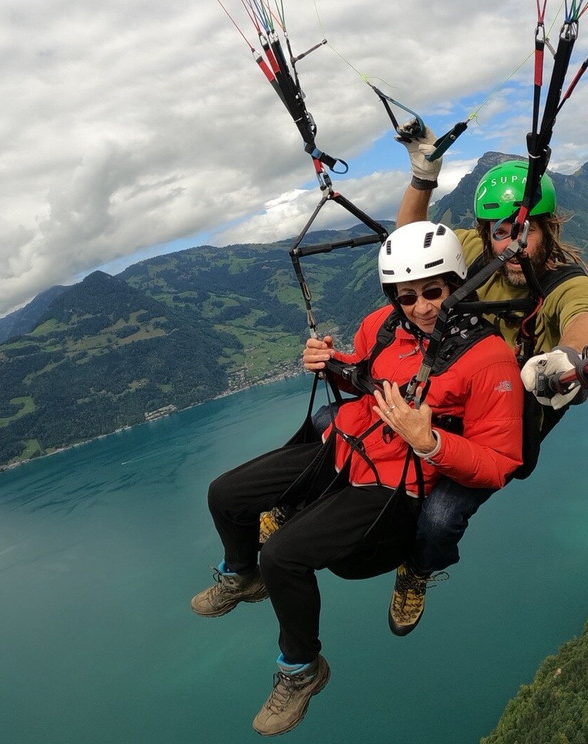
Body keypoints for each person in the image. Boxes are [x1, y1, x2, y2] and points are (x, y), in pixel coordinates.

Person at [190, 221, 524, 736]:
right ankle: (241, 572)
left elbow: (500, 460)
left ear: (457, 283)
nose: (420, 307)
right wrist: (328, 364)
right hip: (345, 448)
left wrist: (430, 442)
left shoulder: (488, 359)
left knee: (283, 555)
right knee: (225, 494)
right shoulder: (383, 326)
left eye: (433, 291)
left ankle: (301, 669)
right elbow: (364, 377)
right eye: (406, 296)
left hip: (394, 486)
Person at [384, 127, 588, 636]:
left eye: (523, 231)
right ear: (486, 234)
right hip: (449, 401)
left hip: (501, 428)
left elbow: (585, 317)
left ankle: (417, 571)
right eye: (500, 233)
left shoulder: (563, 283)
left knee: (440, 518)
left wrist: (566, 359)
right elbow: (410, 241)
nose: (512, 245)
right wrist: (423, 175)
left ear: (547, 230)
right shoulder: (478, 254)